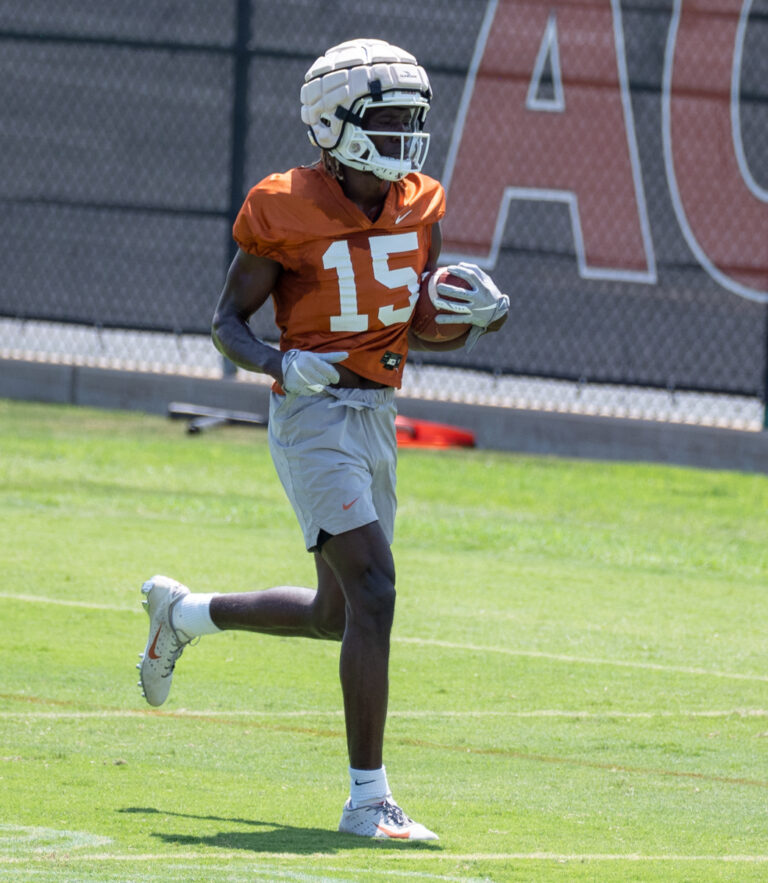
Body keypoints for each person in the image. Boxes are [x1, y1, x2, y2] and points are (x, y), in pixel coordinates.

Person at [136, 38, 508, 841]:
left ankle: (185, 615)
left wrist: (471, 322)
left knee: (336, 614)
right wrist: (280, 362)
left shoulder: (420, 203)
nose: (409, 130)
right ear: (334, 124)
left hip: (376, 414)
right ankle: (367, 800)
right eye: (391, 115)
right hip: (311, 417)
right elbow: (226, 323)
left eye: (415, 114)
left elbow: (417, 328)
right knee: (376, 588)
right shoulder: (284, 204)